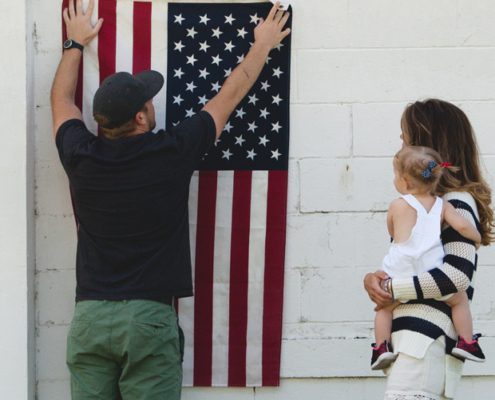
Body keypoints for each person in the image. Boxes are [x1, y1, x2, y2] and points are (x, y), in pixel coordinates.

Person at [50, 0, 290, 398]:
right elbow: (229, 95)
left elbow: (61, 102)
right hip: (148, 317)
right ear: (141, 118)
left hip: (90, 316)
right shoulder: (171, 152)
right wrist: (262, 44)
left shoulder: (80, 155)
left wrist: (74, 43)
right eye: (148, 99)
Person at [364, 98, 494, 399]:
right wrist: (374, 279)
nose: (399, 143)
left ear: (425, 144)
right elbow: (408, 262)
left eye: (404, 135)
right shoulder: (426, 206)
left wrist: (392, 288)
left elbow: (456, 278)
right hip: (414, 341)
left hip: (424, 341)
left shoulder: (455, 202)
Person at [371, 146, 484, 371]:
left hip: (399, 274)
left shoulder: (397, 205)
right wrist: (477, 237)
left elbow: (393, 233)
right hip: (430, 273)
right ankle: (466, 342)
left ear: (404, 181)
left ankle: (381, 348)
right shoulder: (443, 206)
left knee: (383, 308)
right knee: (459, 299)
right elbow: (462, 225)